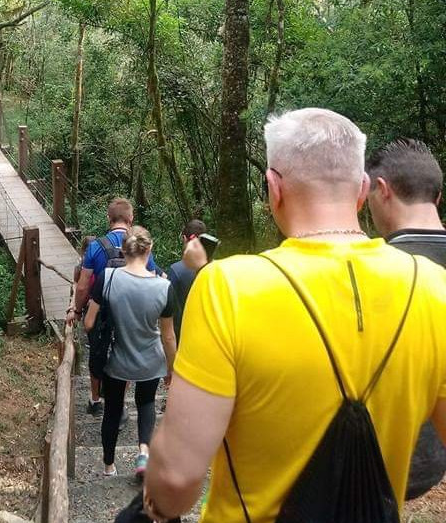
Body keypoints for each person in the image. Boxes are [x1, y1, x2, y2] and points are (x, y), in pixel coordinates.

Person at [142, 108, 446, 523]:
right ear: (361, 190)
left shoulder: (227, 288)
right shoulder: (433, 287)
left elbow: (176, 482)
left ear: (273, 188)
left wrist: (152, 498)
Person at [367, 137, 446, 498]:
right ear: (437, 197)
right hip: (434, 459)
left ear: (381, 190)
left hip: (382, 460)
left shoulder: (367, 270)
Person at [84, 226, 177, 480]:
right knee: (146, 404)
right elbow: (168, 336)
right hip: (151, 360)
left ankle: (108, 466)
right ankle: (144, 455)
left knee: (113, 409)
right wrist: (172, 368)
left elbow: (89, 323)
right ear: (149, 250)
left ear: (123, 250)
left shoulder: (107, 278)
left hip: (117, 359)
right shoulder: (164, 287)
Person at [66, 197, 160, 415]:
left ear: (109, 218)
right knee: (125, 352)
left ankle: (95, 399)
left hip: (100, 311)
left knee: (98, 353)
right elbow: (152, 277)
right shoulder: (141, 246)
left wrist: (77, 311)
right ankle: (119, 401)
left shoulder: (96, 247)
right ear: (130, 218)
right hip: (132, 312)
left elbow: (82, 287)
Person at [167, 220, 208, 343]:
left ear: (184, 239)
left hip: (184, 337)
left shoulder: (176, 270)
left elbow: (170, 309)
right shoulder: (215, 267)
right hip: (210, 335)